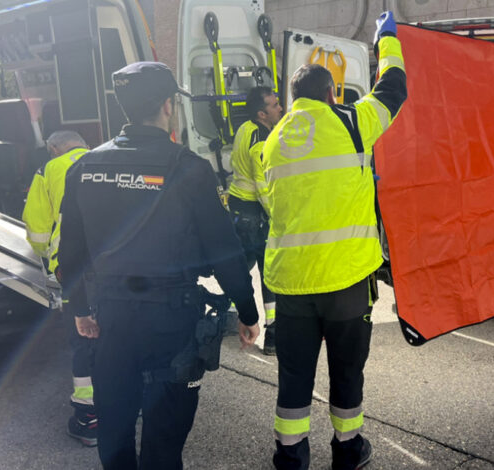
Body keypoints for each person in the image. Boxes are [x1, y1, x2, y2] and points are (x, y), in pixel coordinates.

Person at [58, 61, 260, 469]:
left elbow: (70, 254)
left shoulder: (85, 167)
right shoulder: (190, 169)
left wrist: (80, 309)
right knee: (164, 437)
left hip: (112, 318)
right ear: (168, 105)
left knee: (113, 427)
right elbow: (224, 250)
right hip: (173, 320)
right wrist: (248, 310)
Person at [261, 11, 406, 470]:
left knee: (294, 374)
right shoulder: (350, 122)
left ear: (292, 98)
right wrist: (388, 42)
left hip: (291, 285)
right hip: (345, 283)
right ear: (331, 93)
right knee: (346, 372)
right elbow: (394, 89)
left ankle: (290, 456)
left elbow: (276, 204)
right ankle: (347, 450)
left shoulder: (273, 140)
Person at [21, 130, 98, 445]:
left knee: (84, 338)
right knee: (121, 334)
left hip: (75, 270)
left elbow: (37, 226)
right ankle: (128, 403)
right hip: (118, 266)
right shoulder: (107, 158)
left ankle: (89, 418)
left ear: (53, 148)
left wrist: (48, 261)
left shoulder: (48, 169)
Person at [227, 86, 284, 355]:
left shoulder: (245, 128)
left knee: (239, 267)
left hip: (238, 208)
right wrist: (279, 216)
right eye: (274, 105)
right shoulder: (261, 142)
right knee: (269, 275)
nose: (280, 108)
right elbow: (264, 188)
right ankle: (273, 335)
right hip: (255, 214)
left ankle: (226, 314)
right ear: (262, 113)